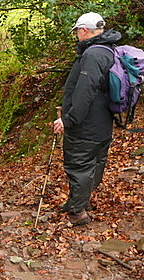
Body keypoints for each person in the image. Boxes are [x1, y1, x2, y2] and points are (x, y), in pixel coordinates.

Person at [52, 12, 122, 226]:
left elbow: (85, 92)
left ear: (84, 31)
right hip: (102, 123)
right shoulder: (108, 49)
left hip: (86, 125)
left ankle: (78, 212)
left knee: (79, 165)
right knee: (94, 164)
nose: (76, 35)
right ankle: (80, 201)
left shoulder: (92, 55)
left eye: (77, 31)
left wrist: (68, 119)